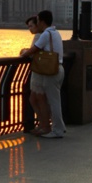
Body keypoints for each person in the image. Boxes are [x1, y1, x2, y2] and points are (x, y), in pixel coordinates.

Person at [21, 10, 66, 139]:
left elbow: (35, 49)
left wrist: (23, 53)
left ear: (42, 21)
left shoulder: (46, 34)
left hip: (51, 72)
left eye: (38, 20)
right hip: (58, 68)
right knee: (54, 101)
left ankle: (57, 131)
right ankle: (60, 127)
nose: (38, 23)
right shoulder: (55, 32)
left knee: (54, 102)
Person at [20, 15, 50, 135]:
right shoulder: (44, 35)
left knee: (38, 99)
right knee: (35, 98)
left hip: (38, 70)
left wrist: (23, 52)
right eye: (28, 27)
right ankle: (43, 124)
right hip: (41, 70)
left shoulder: (38, 36)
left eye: (31, 26)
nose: (30, 29)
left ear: (38, 25)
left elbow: (33, 53)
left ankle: (45, 126)